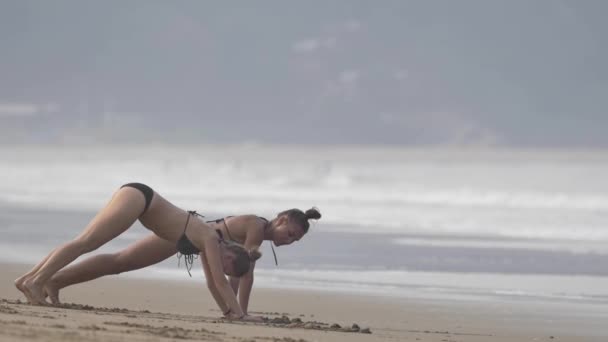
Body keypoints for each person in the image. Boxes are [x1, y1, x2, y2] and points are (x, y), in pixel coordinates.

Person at [14, 182, 321, 319]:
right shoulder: (256, 225)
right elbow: (238, 273)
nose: (288, 240)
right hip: (151, 207)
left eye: (294, 241)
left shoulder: (220, 247)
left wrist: (237, 312)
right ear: (280, 219)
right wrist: (240, 313)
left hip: (179, 234)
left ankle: (51, 281)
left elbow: (230, 280)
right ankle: (37, 281)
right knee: (89, 243)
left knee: (118, 262)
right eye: (290, 233)